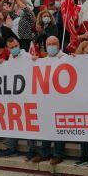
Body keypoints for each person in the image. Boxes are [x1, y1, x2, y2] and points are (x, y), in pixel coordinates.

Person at [29, 36, 66, 166]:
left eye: (54, 44)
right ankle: (44, 153)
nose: (51, 46)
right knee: (45, 127)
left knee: (58, 128)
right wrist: (32, 61)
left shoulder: (65, 58)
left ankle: (58, 154)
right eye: (49, 44)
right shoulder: (43, 61)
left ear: (59, 44)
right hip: (45, 100)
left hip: (60, 101)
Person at [0, 37, 37, 158]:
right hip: (13, 97)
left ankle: (32, 149)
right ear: (8, 49)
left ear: (18, 45)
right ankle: (11, 148)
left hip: (27, 96)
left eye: (16, 46)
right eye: (12, 47)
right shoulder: (9, 59)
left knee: (29, 122)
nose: (15, 49)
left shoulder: (26, 56)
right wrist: (2, 65)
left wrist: (35, 61)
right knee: (11, 122)